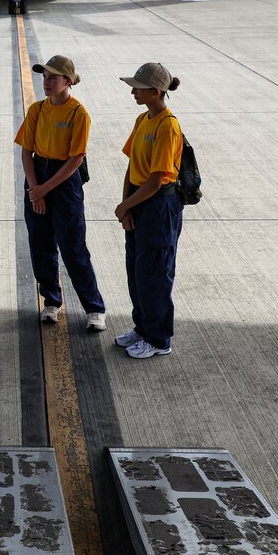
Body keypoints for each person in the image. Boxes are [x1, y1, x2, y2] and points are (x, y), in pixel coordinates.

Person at [16, 55, 106, 332]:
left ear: (67, 81)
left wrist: (44, 189)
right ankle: (51, 301)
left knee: (72, 246)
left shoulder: (78, 113)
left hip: (63, 182)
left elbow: (75, 159)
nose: (47, 82)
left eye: (53, 77)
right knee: (40, 244)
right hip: (37, 178)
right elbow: (26, 151)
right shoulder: (37, 110)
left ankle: (94, 307)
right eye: (44, 77)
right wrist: (35, 189)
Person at [112, 63, 184, 360]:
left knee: (155, 273)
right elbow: (133, 166)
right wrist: (126, 205)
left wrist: (126, 205)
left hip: (158, 205)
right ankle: (142, 328)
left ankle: (158, 338)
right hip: (140, 202)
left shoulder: (168, 126)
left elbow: (156, 180)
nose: (132, 91)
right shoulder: (143, 119)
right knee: (138, 271)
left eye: (137, 88)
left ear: (155, 92)